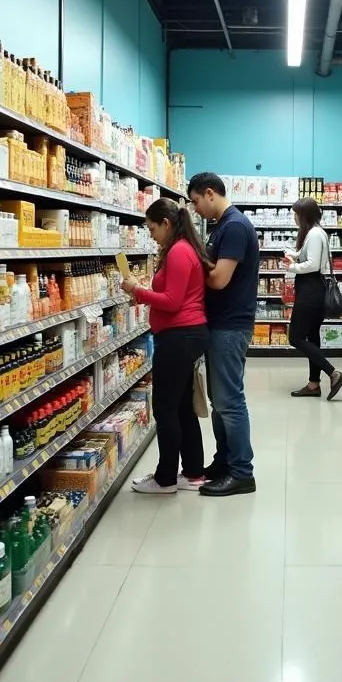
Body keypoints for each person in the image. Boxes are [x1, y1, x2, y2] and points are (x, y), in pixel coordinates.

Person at [121, 198, 211, 494]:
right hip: (184, 335)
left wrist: (139, 291)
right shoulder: (180, 249)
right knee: (182, 406)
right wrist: (144, 294)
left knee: (165, 407)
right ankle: (194, 472)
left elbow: (172, 302)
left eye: (152, 228)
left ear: (166, 224)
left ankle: (165, 479)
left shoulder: (179, 252)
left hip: (179, 336)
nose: (151, 234)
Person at [187, 172, 259, 496]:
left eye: (196, 201)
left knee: (230, 402)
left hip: (230, 327)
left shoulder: (234, 227)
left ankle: (242, 472)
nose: (196, 209)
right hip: (221, 325)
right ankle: (225, 461)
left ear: (210, 193)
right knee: (220, 402)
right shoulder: (222, 227)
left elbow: (218, 280)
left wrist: (192, 266)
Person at [284, 197, 342, 400]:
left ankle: (333, 373)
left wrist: (292, 267)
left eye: (296, 214)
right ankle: (314, 385)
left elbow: (312, 264)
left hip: (310, 291)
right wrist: (294, 255)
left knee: (295, 337)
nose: (294, 218)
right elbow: (313, 258)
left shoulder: (313, 234)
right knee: (312, 336)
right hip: (316, 290)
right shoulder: (318, 232)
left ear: (304, 215)